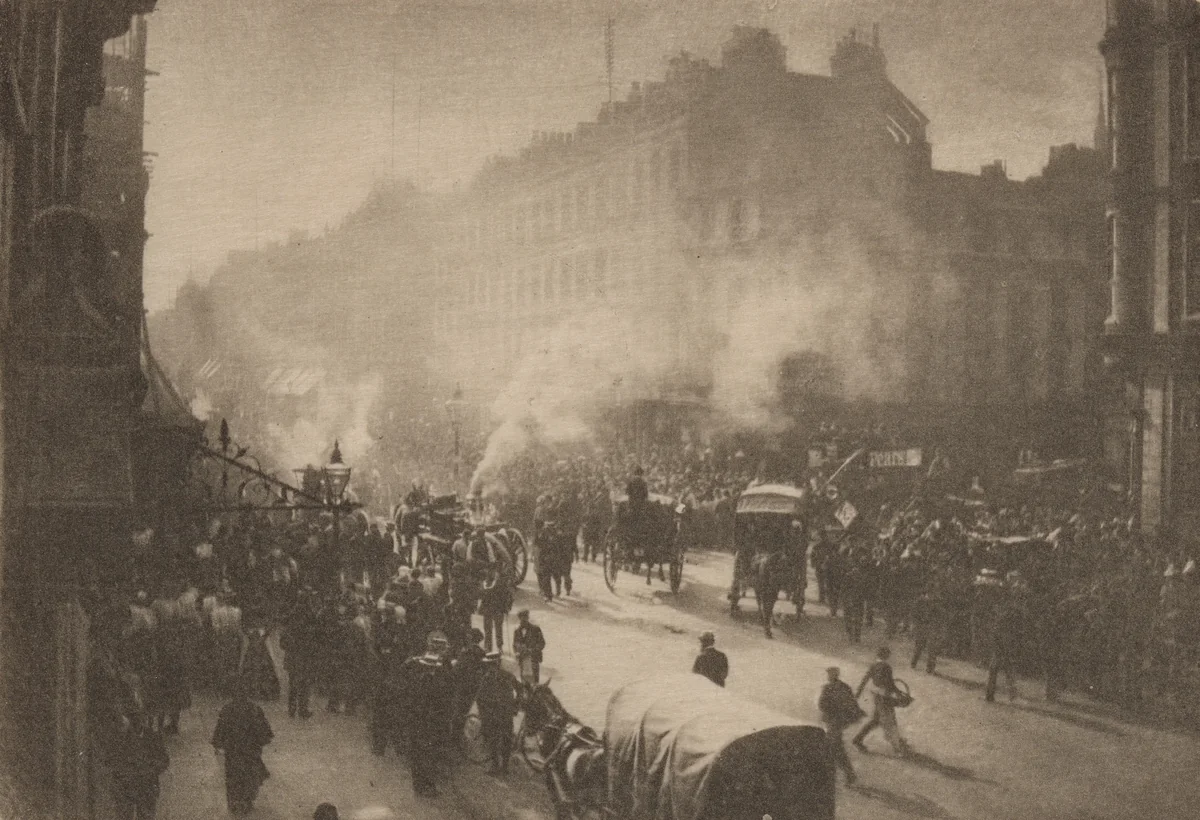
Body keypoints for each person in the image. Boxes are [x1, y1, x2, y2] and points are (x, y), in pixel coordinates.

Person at [399, 631, 455, 797]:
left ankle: (419, 786)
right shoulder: (433, 682)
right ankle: (427, 787)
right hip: (429, 725)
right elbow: (442, 703)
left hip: (417, 723)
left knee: (418, 756)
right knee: (428, 756)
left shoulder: (416, 677)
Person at [211, 681, 274, 815]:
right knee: (249, 775)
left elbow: (220, 730)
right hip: (251, 750)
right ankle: (247, 800)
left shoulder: (227, 709)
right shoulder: (254, 709)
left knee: (233, 776)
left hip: (233, 751)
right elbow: (264, 732)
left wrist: (218, 743)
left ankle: (235, 801)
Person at [112, 711, 170, 820]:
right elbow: (114, 760)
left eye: (138, 721)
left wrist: (151, 769)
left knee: (146, 815)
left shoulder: (153, 737)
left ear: (143, 721)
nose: (136, 724)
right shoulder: (122, 738)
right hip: (127, 788)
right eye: (133, 722)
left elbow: (164, 760)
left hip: (147, 787)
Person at [852, 646, 908, 756]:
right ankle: (897, 748)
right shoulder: (886, 666)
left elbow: (865, 679)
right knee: (889, 721)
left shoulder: (874, 665)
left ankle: (858, 739)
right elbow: (890, 683)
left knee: (876, 720)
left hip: (877, 696)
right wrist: (899, 694)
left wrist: (857, 694)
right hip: (885, 697)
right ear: (886, 655)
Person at [476, 651, 520, 775]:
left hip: (494, 714)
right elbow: (520, 691)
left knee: (494, 740)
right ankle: (504, 767)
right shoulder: (508, 676)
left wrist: (483, 713)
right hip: (505, 713)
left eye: (491, 664)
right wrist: (515, 706)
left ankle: (497, 767)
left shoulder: (488, 677)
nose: (490, 667)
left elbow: (480, 697)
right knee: (506, 739)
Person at [817, 667, 862, 786]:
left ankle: (848, 774)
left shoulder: (827, 688)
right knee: (834, 747)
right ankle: (847, 774)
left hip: (831, 721)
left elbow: (821, 705)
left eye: (828, 674)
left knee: (834, 748)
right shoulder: (845, 687)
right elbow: (853, 704)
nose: (827, 676)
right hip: (840, 722)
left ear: (831, 676)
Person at [513, 609, 546, 684]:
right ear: (519, 619)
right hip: (523, 659)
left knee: (535, 682)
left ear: (528, 618)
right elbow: (514, 644)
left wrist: (532, 650)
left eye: (525, 618)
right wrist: (516, 652)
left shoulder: (536, 629)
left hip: (533, 658)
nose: (523, 620)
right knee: (524, 682)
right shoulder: (517, 631)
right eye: (521, 618)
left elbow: (542, 643)